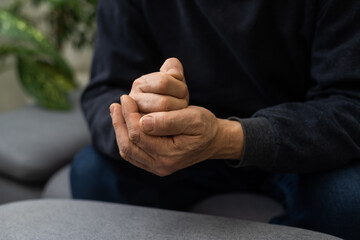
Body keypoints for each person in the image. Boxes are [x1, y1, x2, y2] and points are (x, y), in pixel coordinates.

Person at [70, 0, 360, 239]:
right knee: (91, 173)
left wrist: (227, 137)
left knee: (350, 199)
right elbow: (104, 90)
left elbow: (349, 102)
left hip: (296, 143)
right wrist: (137, 120)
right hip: (180, 151)